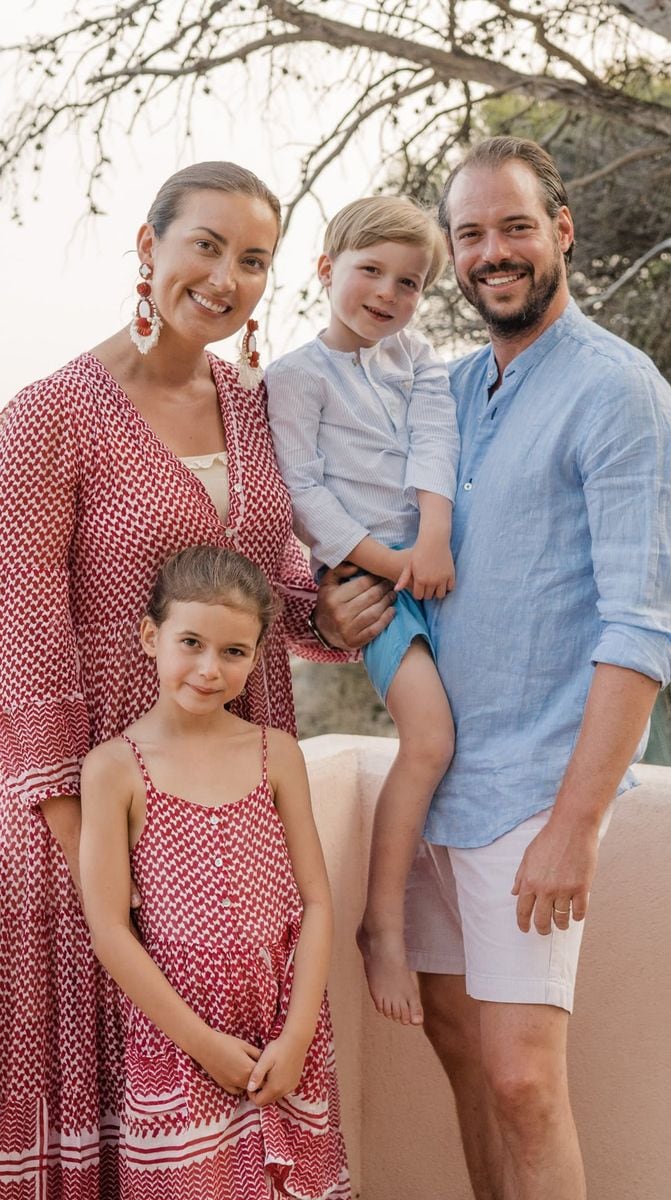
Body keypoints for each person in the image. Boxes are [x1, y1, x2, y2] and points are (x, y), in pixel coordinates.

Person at [321, 136, 671, 1200]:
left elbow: (641, 630)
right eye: (472, 234)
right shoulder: (446, 390)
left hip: (534, 796)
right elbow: (381, 542)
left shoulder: (621, 396)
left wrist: (574, 828)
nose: (495, 252)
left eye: (516, 226)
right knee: (453, 1042)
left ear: (561, 231)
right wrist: (340, 601)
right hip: (436, 786)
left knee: (523, 1078)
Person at [0, 161, 390, 1199]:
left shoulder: (256, 408)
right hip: (93, 820)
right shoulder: (49, 418)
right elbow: (26, 637)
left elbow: (267, 589)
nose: (226, 277)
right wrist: (90, 849)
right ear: (149, 247)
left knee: (232, 1133)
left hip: (238, 816)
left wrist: (327, 618)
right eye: (205, 245)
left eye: (253, 259)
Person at [80, 545, 349, 1199]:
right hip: (178, 1047)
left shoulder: (274, 754)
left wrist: (297, 1035)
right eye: (191, 642)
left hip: (286, 1040)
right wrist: (204, 1044)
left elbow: (315, 901)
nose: (208, 668)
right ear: (151, 637)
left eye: (233, 652)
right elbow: (111, 930)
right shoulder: (114, 768)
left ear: (257, 656)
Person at [266, 197, 460, 1026]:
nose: (387, 292)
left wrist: (438, 540)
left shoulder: (415, 355)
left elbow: (436, 440)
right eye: (370, 271)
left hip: (442, 561)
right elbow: (304, 494)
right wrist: (396, 564)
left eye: (408, 282)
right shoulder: (294, 377)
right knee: (430, 738)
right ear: (325, 270)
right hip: (375, 586)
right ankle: (383, 923)